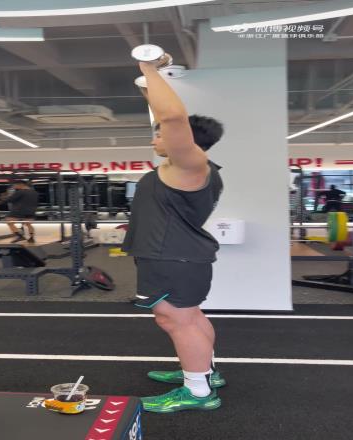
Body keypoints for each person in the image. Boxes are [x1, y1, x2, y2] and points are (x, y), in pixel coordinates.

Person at [121, 59, 225, 413]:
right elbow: (164, 116)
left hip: (171, 257)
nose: (155, 136)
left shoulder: (190, 165)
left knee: (175, 320)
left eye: (160, 132)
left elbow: (173, 117)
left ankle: (197, 391)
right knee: (190, 317)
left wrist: (149, 68)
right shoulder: (183, 168)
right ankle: (204, 372)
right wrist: (148, 86)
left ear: (185, 140)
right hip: (176, 255)